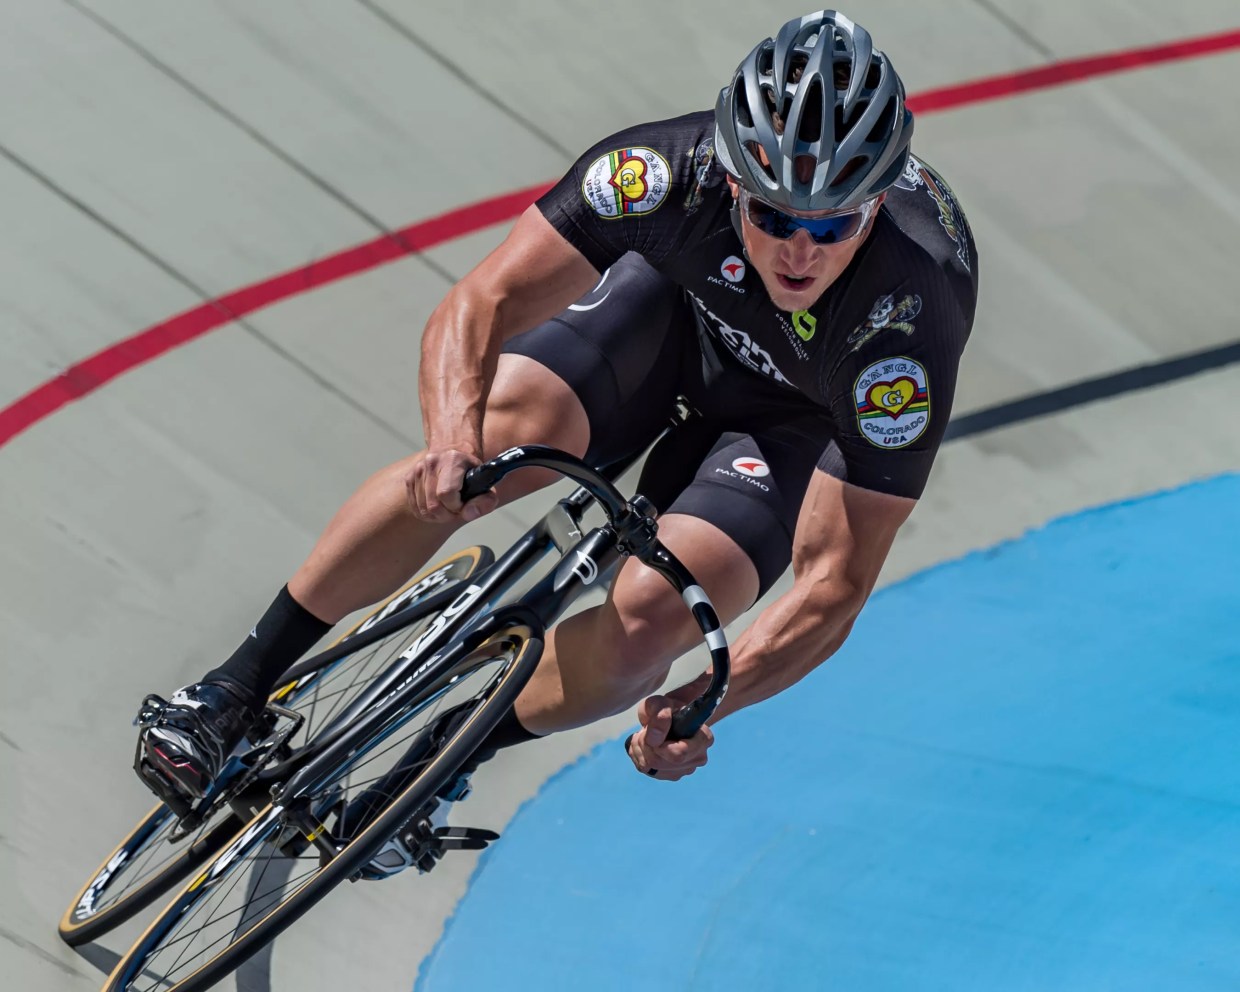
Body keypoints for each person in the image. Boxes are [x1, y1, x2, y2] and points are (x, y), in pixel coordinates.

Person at [137, 9, 976, 858]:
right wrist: (452, 439)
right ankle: (231, 692)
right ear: (728, 180)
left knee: (654, 617)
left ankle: (440, 762)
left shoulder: (905, 328)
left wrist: (704, 701)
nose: (801, 251)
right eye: (773, 216)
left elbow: (834, 582)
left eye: (832, 226)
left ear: (874, 206)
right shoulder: (660, 173)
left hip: (797, 421)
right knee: (502, 438)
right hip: (670, 319)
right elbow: (483, 301)